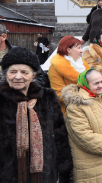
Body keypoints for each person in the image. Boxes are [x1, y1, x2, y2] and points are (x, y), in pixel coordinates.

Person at [0, 47, 72, 183]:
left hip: (45, 173)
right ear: (5, 74)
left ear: (33, 74)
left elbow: (60, 134)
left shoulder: (47, 97)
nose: (18, 76)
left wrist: (64, 168)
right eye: (13, 72)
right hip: (7, 175)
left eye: (24, 72)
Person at [62, 69, 102, 183]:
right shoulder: (76, 106)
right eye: (96, 83)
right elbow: (83, 135)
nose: (101, 85)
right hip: (93, 166)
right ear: (85, 84)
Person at [48, 36, 91, 114]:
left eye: (81, 47)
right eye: (79, 48)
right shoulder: (55, 67)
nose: (82, 51)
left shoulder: (83, 64)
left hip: (89, 107)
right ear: (68, 50)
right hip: (70, 111)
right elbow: (59, 94)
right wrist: (84, 98)